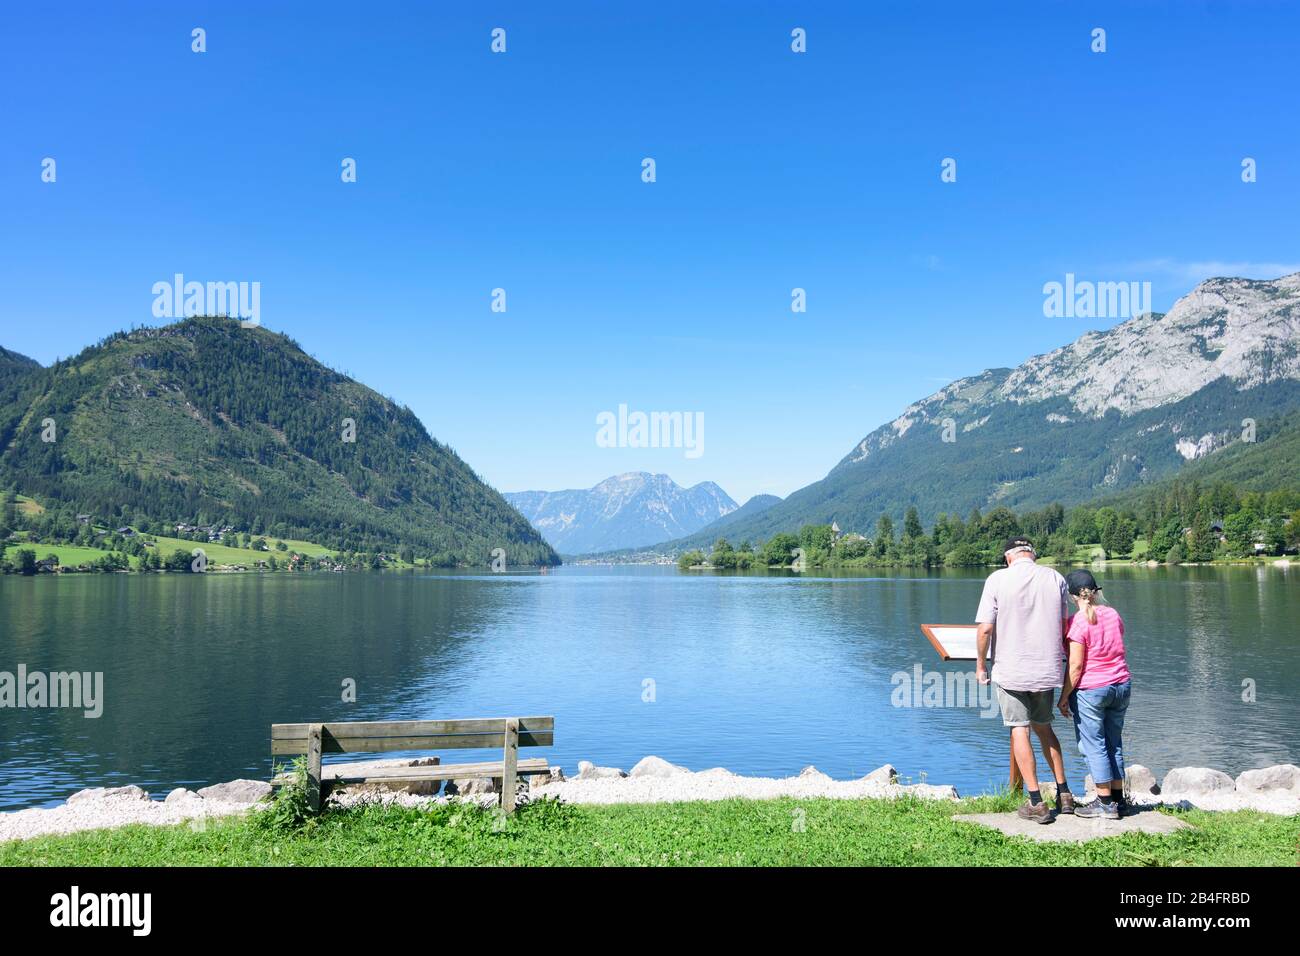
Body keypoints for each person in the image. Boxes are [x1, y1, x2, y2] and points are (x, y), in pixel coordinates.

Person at [975, 536, 1075, 823]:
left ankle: (1035, 802)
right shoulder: (1055, 578)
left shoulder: (997, 580)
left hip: (1012, 670)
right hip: (1047, 670)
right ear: (1032, 554)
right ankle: (1064, 793)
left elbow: (984, 630)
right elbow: (1063, 626)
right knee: (1045, 729)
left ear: (1008, 557)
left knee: (1020, 729)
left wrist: (981, 665)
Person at [1057, 569, 1131, 820]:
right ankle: (1119, 801)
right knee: (1114, 743)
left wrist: (1064, 696)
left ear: (1072, 596)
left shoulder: (1078, 622)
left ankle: (1104, 803)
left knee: (1094, 745)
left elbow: (1075, 666)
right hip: (1121, 685)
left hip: (1093, 690)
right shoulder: (1113, 614)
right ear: (1096, 591)